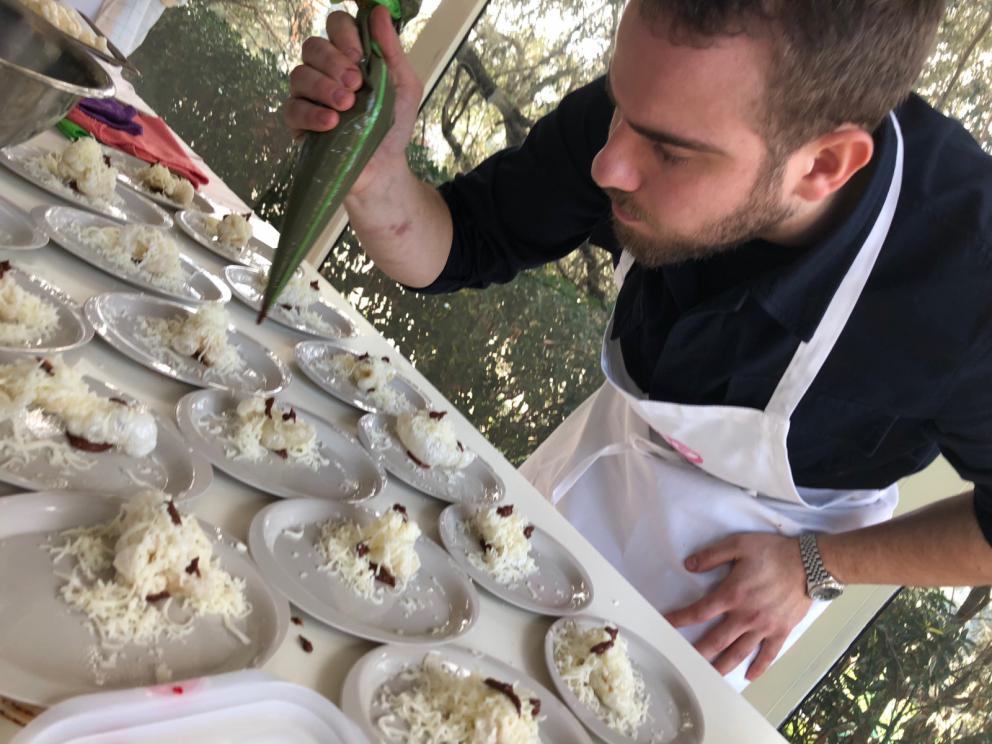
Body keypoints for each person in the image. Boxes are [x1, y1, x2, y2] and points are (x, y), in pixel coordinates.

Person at [284, 0, 992, 687]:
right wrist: (375, 177)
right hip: (602, 461)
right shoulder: (664, 101)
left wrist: (820, 563)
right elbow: (460, 243)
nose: (608, 165)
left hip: (745, 570)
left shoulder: (968, 281)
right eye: (622, 106)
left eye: (669, 151)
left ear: (823, 165)